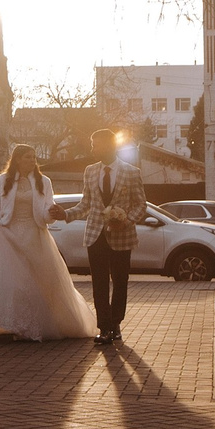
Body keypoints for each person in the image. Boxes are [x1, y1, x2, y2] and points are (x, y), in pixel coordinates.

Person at [0, 145, 99, 340]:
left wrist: (51, 214)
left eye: (34, 157)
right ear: (17, 159)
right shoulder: (4, 180)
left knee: (38, 281)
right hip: (7, 234)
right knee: (5, 280)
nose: (32, 161)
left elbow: (45, 211)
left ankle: (29, 326)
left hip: (35, 235)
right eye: (28, 157)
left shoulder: (44, 181)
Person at [83, 128, 147, 344]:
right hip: (96, 235)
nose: (92, 149)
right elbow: (85, 204)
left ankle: (116, 323)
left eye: (95, 145)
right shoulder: (90, 171)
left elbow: (141, 204)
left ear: (109, 146)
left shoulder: (131, 171)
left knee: (120, 281)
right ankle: (104, 328)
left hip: (122, 236)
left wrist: (126, 220)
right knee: (99, 283)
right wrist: (64, 214)